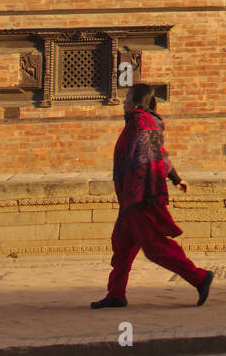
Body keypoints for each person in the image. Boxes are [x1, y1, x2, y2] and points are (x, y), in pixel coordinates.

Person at [90, 83, 213, 309]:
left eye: (127, 98)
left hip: (140, 198)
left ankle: (199, 277)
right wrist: (176, 178)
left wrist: (146, 191)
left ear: (136, 103)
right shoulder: (140, 123)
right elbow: (160, 153)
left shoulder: (141, 122)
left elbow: (151, 157)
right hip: (131, 198)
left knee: (155, 247)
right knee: (122, 246)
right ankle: (116, 294)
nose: (123, 102)